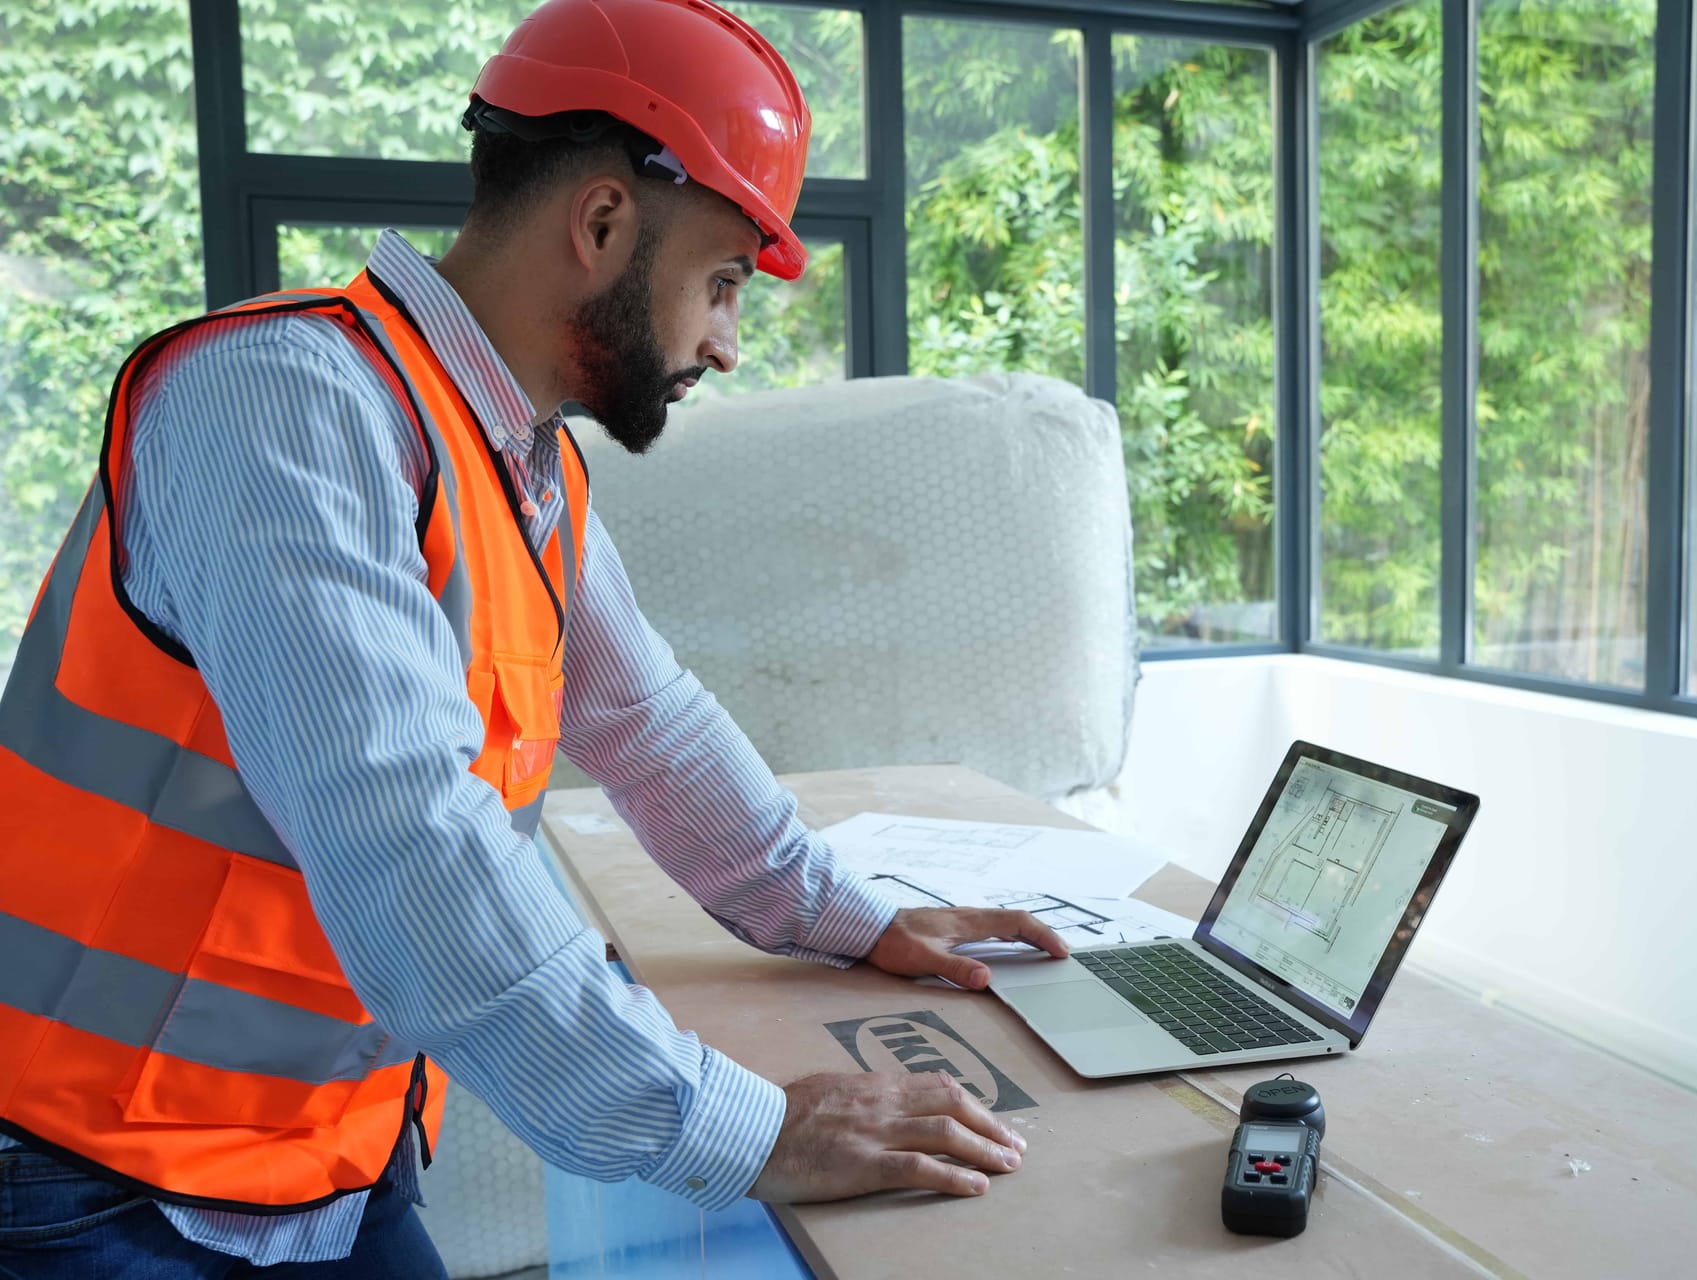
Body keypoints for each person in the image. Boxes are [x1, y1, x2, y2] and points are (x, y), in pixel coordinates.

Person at [0, 0, 1069, 1272]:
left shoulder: (519, 466)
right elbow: (409, 838)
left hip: (318, 1149)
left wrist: (853, 917)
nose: (726, 343)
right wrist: (749, 1130)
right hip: (92, 1174)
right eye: (723, 283)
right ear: (603, 222)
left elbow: (651, 724)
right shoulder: (281, 403)